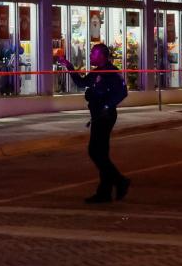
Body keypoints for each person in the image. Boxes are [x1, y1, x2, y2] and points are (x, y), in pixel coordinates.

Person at [55, 43, 130, 203]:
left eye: (93, 54)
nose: (90, 56)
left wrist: (107, 105)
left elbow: (123, 92)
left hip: (105, 115)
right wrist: (69, 66)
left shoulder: (111, 72)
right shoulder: (97, 72)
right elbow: (81, 83)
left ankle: (120, 181)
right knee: (101, 153)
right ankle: (105, 191)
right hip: (97, 115)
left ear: (103, 55)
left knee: (95, 152)